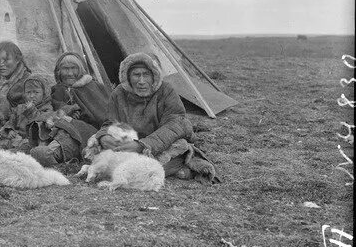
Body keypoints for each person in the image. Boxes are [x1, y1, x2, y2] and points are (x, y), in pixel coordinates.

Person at [84, 52, 219, 183]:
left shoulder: (167, 91)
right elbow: (110, 122)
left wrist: (143, 145)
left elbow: (176, 124)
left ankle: (162, 168)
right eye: (136, 75)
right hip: (129, 144)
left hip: (159, 145)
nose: (141, 81)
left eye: (146, 74)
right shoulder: (119, 93)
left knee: (178, 148)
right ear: (127, 77)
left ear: (155, 75)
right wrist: (105, 137)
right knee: (95, 146)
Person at [30, 51, 111, 167]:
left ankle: (52, 153)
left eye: (74, 68)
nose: (69, 73)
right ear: (59, 71)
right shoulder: (56, 90)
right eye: (65, 69)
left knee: (67, 127)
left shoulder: (93, 87)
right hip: (58, 127)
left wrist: (79, 116)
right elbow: (47, 109)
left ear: (81, 70)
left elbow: (103, 116)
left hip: (87, 132)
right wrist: (65, 111)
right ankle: (42, 147)